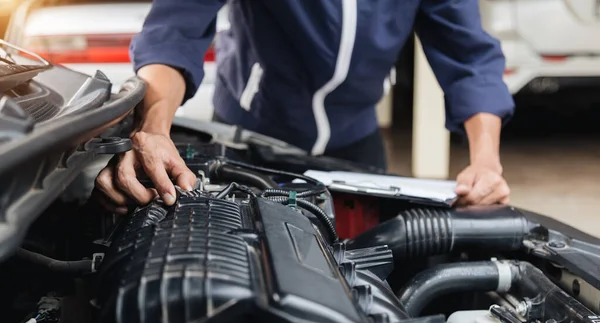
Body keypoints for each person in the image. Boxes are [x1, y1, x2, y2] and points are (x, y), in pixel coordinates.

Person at [95, 0, 514, 213]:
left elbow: (469, 56)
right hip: (251, 138)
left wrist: (486, 163)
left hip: (355, 142)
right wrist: (154, 128)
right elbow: (175, 29)